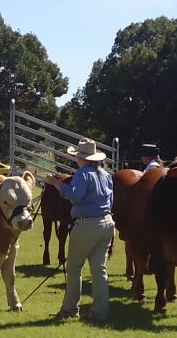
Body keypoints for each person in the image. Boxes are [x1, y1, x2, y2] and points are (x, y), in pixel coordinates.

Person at [47, 138, 115, 322]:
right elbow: (111, 202)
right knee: (99, 270)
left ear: (82, 158)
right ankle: (100, 312)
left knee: (74, 267)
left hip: (87, 224)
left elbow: (74, 196)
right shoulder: (106, 175)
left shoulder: (83, 173)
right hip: (107, 223)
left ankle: (70, 310)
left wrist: (56, 184)